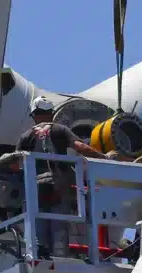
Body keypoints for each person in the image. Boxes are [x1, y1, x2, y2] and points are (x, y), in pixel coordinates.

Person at [15, 96, 106, 257]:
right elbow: (80, 147)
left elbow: (16, 163)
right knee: (59, 227)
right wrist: (104, 157)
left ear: (34, 115)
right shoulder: (60, 130)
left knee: (37, 227)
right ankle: (59, 255)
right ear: (51, 113)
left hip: (35, 187)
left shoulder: (26, 136)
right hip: (59, 185)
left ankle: (39, 255)